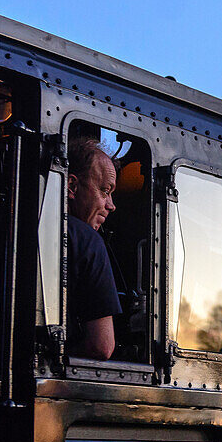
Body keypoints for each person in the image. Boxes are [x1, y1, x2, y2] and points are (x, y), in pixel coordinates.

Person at [66, 138, 123, 359]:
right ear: (72, 186)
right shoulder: (87, 239)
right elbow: (102, 346)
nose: (111, 205)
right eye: (105, 190)